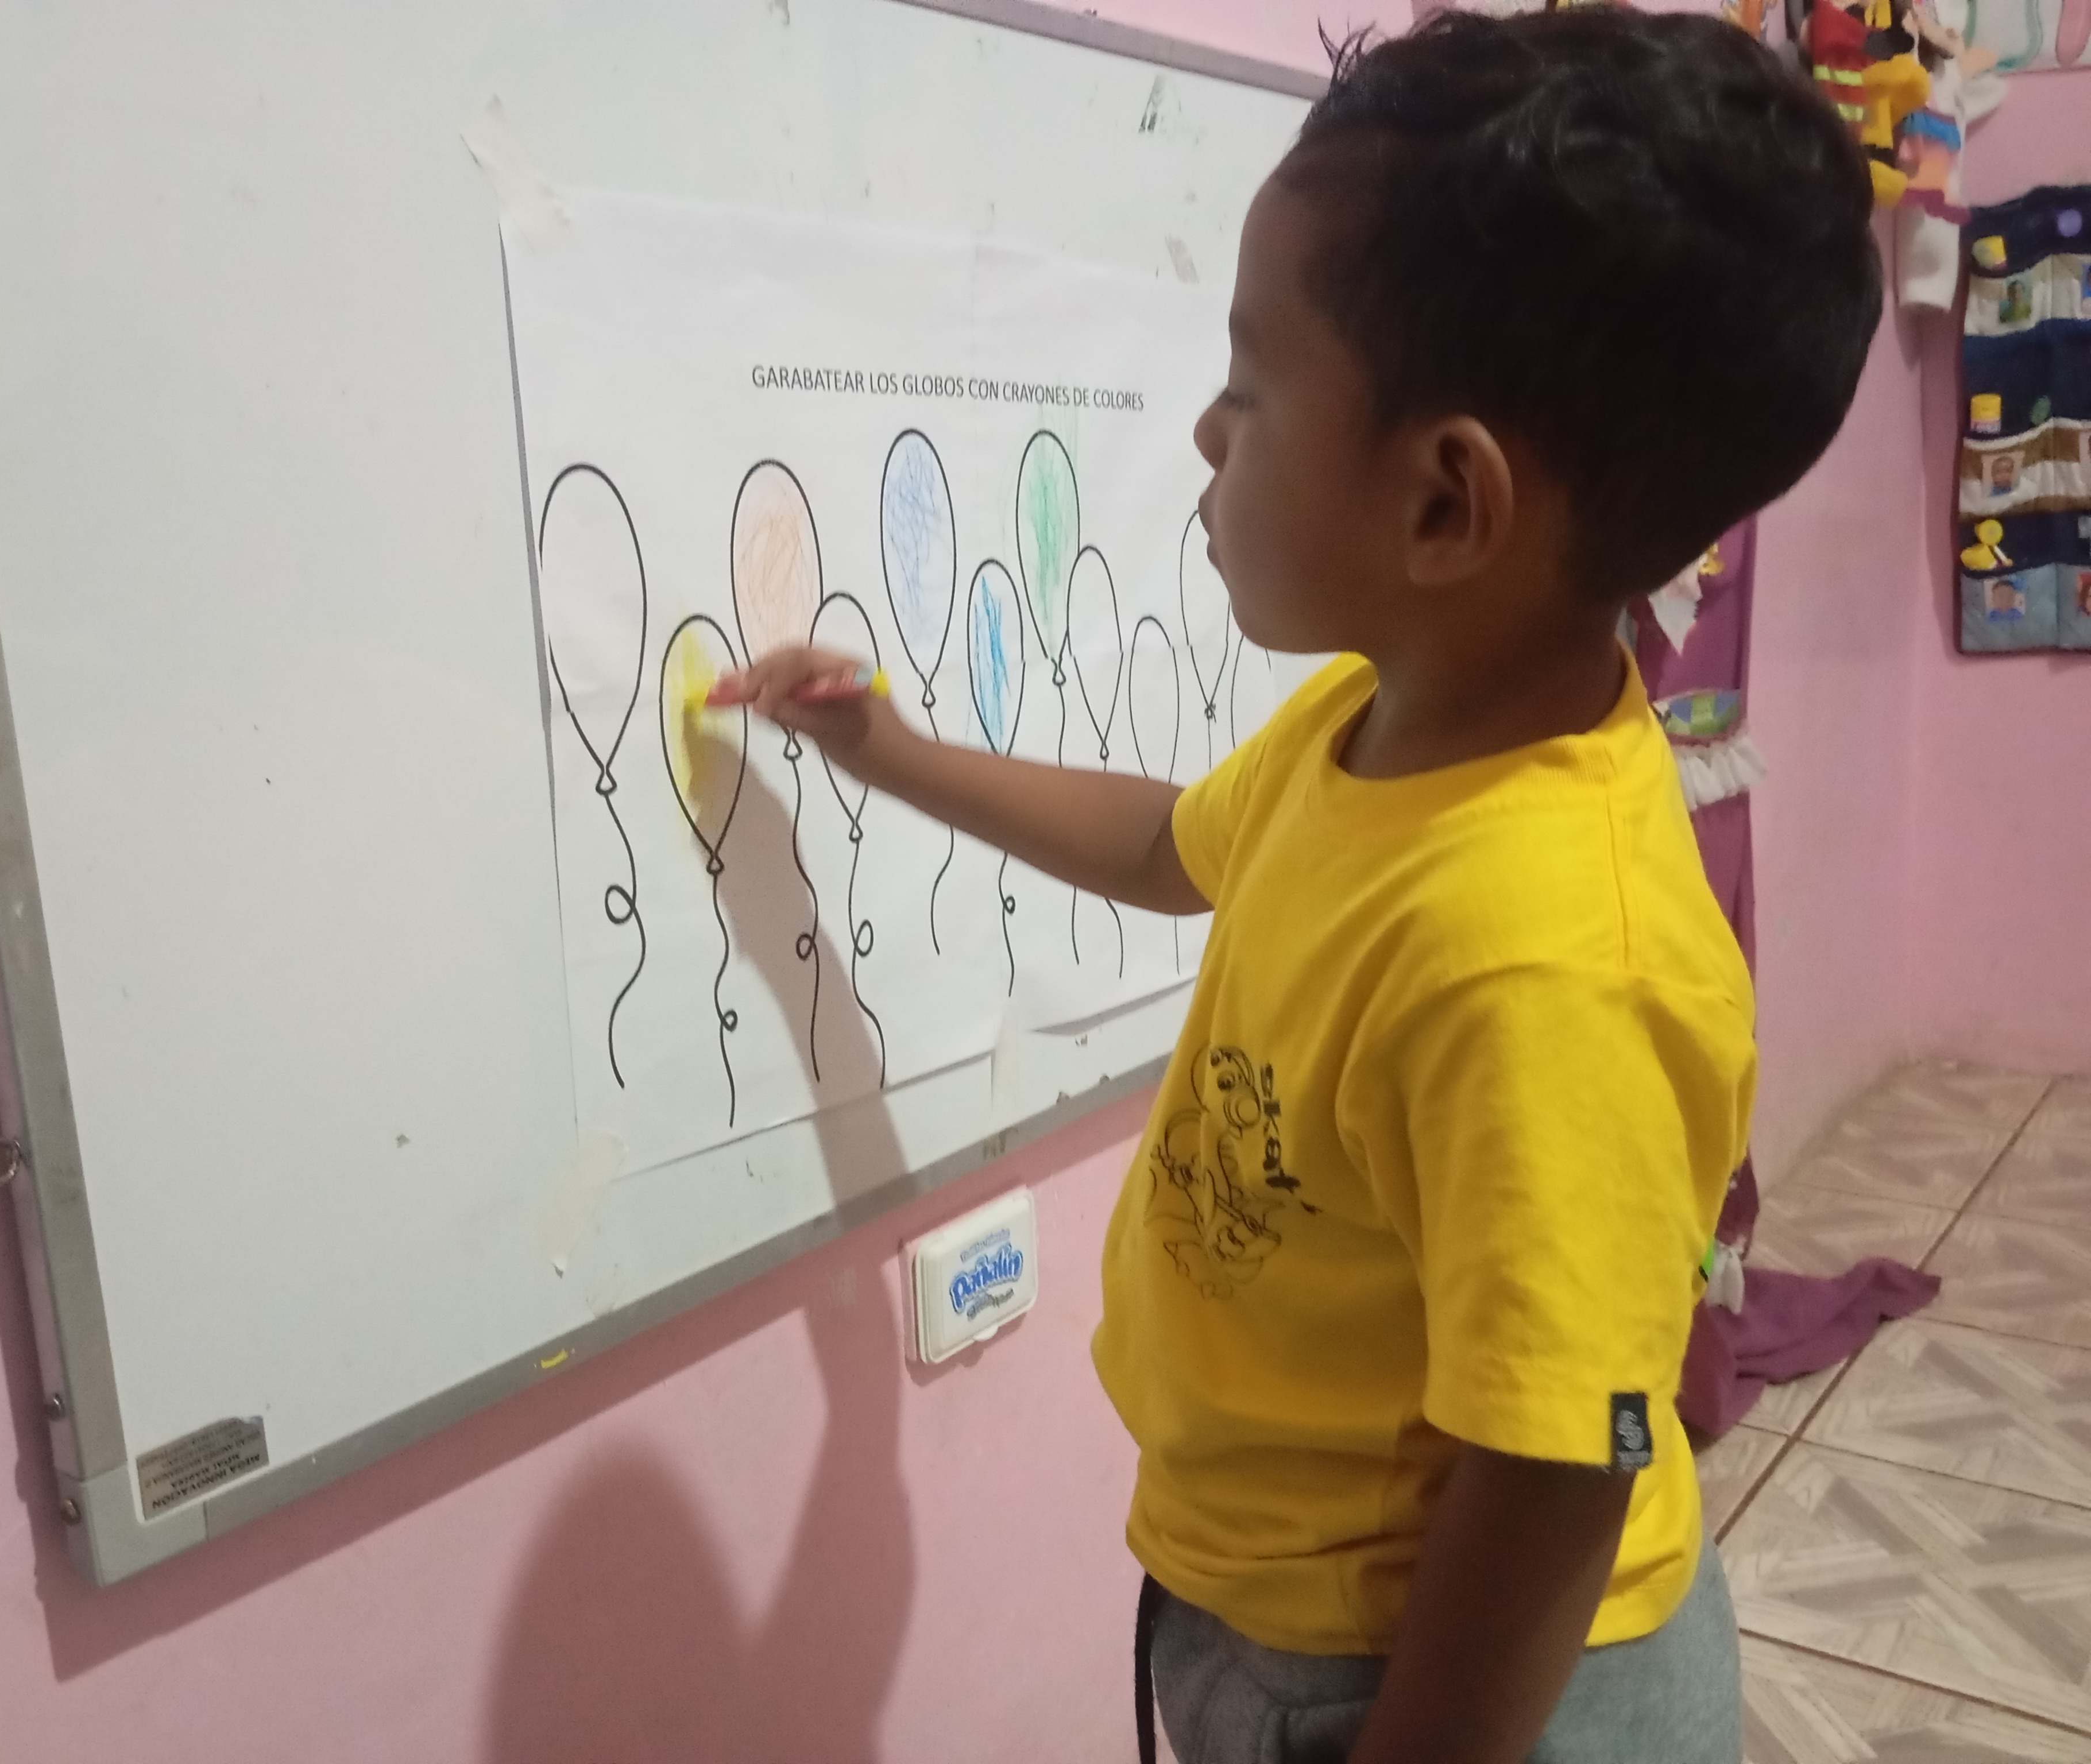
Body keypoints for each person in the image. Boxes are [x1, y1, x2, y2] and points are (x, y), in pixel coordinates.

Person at [714, 9, 1880, 1760]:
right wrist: (889, 749)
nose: (1205, 429)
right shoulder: (1379, 724)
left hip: (1450, 1685)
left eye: (1250, 387)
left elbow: (1554, 1475)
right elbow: (1170, 847)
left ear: (1446, 506)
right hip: (1284, 1611)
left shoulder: (1547, 963)